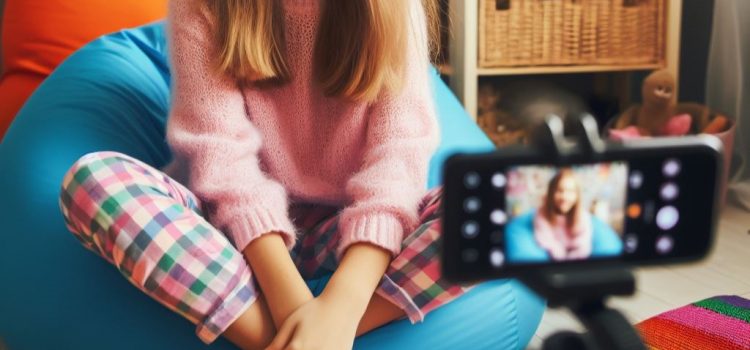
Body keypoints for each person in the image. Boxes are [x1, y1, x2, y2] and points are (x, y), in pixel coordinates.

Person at [57, 1, 464, 349]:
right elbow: (222, 159)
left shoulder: (396, 8)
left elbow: (398, 160)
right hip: (228, 240)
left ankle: (320, 334)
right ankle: (292, 336)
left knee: (514, 198)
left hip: (344, 237)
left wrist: (343, 303)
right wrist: (294, 308)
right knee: (93, 181)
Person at [533, 169, 593, 261]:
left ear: (577, 195)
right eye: (559, 190)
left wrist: (569, 261)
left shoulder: (583, 216)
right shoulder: (542, 213)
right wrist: (561, 258)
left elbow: (583, 246)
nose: (564, 197)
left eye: (570, 191)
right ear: (551, 193)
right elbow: (545, 240)